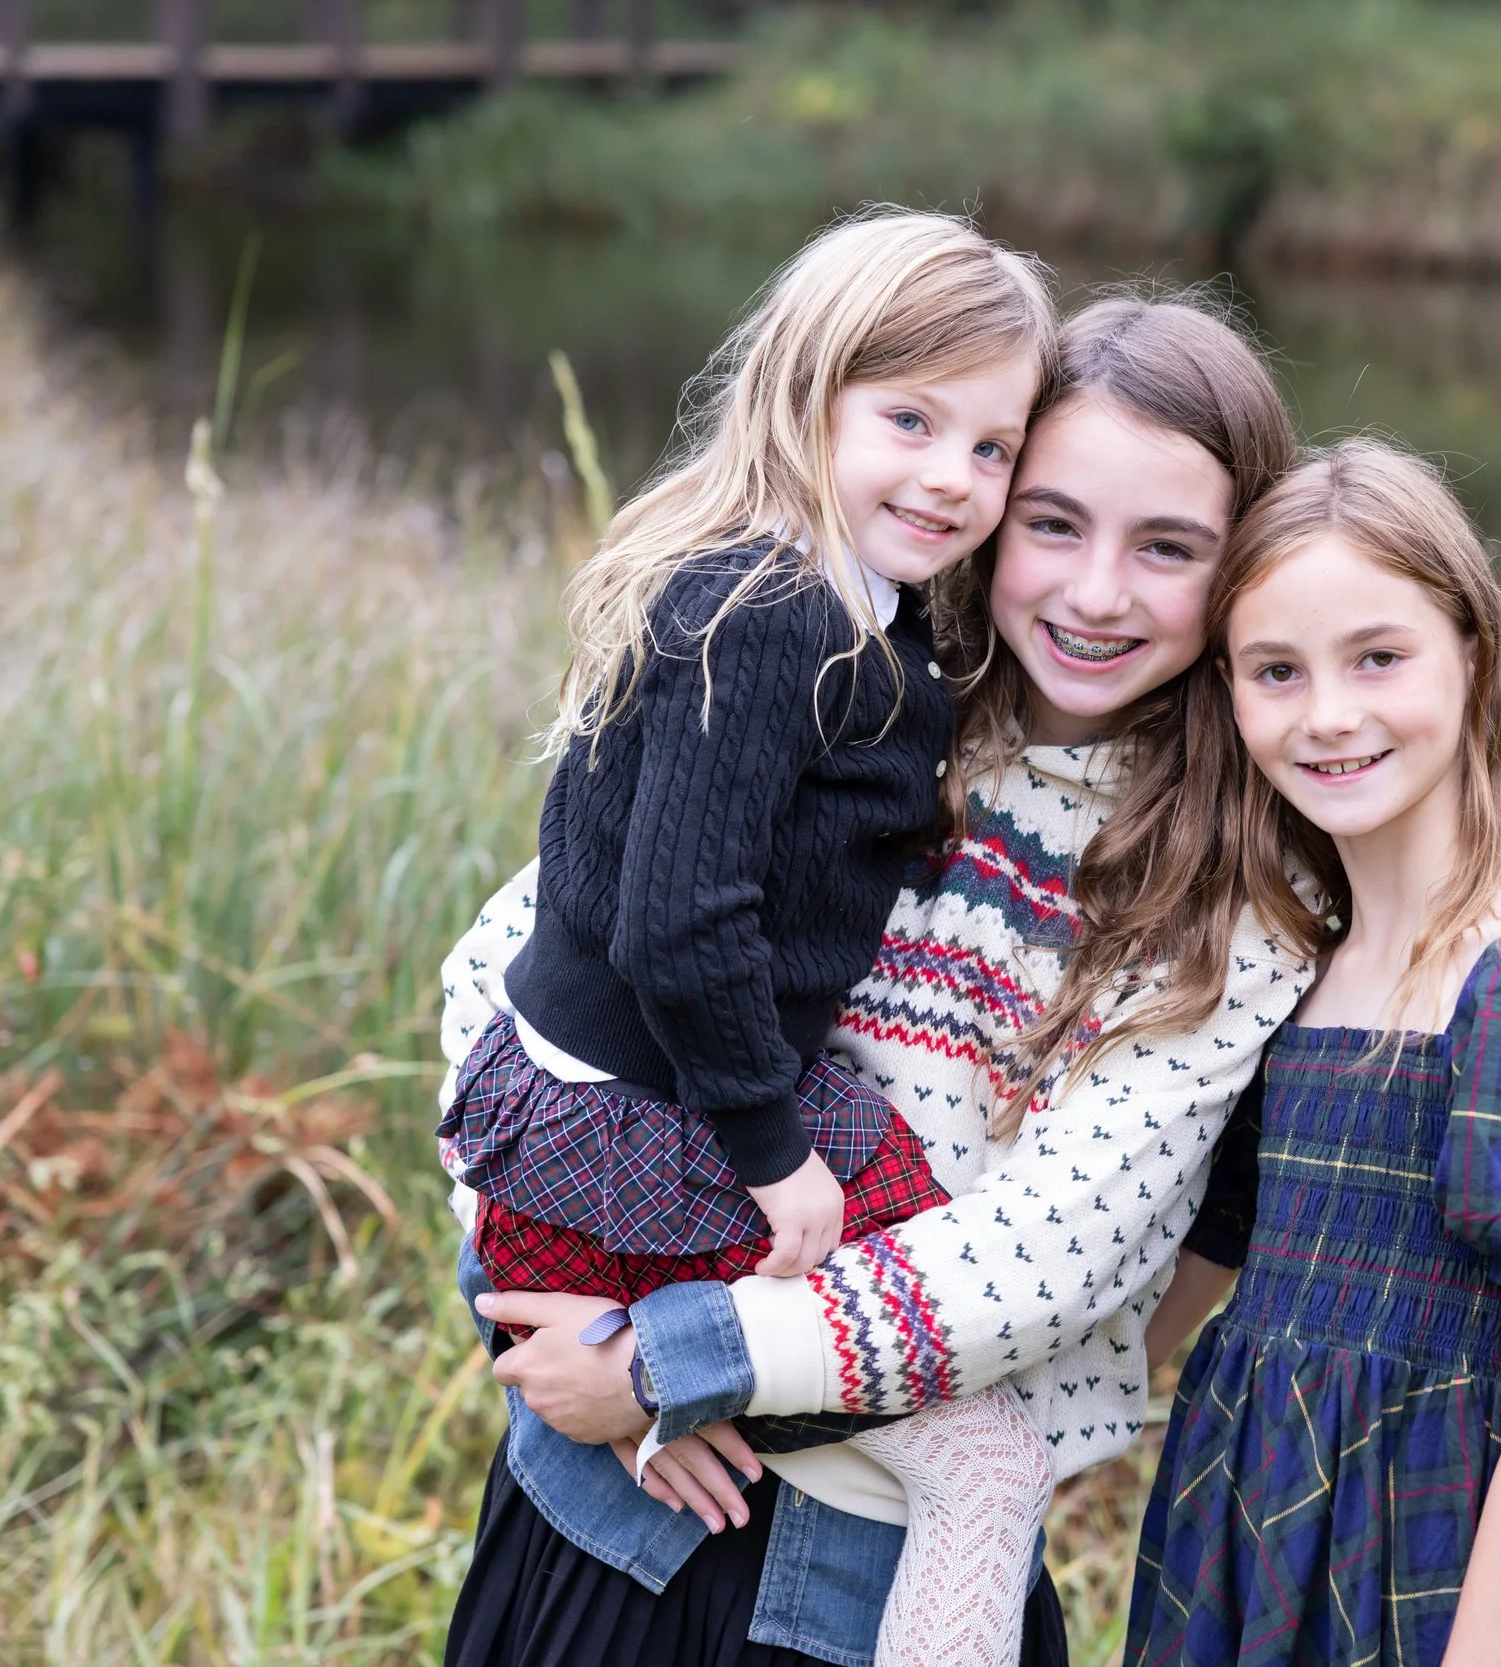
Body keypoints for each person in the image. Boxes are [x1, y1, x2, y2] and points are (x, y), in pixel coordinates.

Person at [440, 294, 1311, 1667]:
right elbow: (525, 965)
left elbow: (1046, 1253)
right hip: (606, 1522)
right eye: (1055, 521)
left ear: (1243, 566)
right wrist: (559, 1296)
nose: (1094, 593)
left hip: (881, 1574)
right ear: (990, 506)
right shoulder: (844, 676)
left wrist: (681, 1354)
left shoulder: (1236, 887)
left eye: (1169, 549)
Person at [435, 207, 1059, 1666]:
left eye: (992, 448)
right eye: (910, 418)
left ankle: (652, 1368)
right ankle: (655, 1380)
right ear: (806, 391)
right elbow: (677, 920)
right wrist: (778, 1152)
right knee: (974, 1441)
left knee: (887, 1298)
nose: (952, 476)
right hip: (657, 1108)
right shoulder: (775, 613)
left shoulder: (815, 596)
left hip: (636, 1089)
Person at [1127, 438, 1501, 1667]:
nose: (1329, 714)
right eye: (1277, 670)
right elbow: (1201, 1268)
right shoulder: (1295, 965)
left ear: (1473, 658)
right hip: (1249, 1532)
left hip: (1431, 1573)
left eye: (1378, 657)